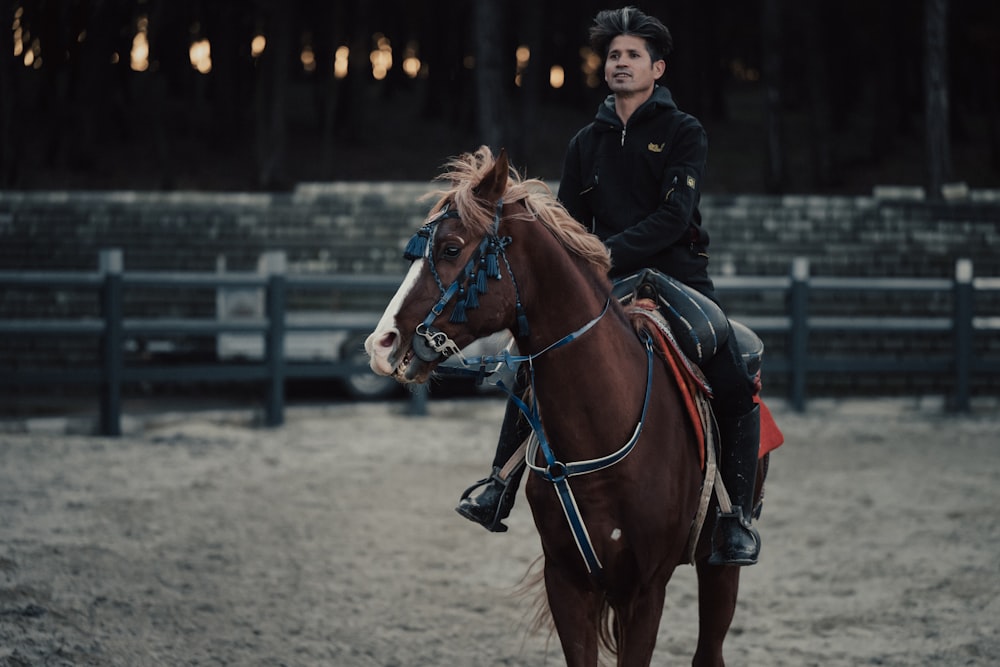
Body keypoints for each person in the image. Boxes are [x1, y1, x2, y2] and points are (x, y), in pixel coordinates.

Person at [456, 6, 762, 566]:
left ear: (658, 68)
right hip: (605, 282)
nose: (620, 63)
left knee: (733, 358)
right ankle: (498, 483)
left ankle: (733, 513)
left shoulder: (684, 132)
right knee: (530, 354)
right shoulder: (585, 142)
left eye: (633, 56)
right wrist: (579, 262)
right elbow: (569, 220)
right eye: (614, 55)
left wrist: (597, 254)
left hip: (678, 278)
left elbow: (674, 217)